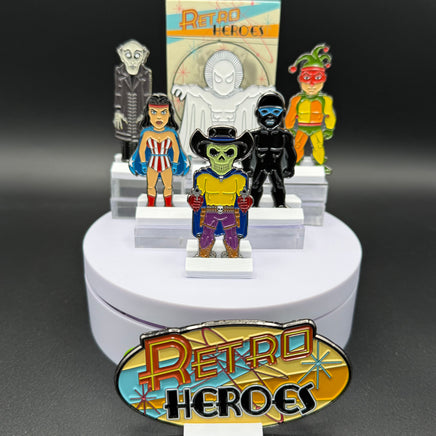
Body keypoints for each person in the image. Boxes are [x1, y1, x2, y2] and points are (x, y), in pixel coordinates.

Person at [129, 94, 189, 206]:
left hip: (167, 165)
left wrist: (175, 164)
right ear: (148, 113)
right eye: (153, 112)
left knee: (168, 186)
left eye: (163, 112)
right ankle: (151, 205)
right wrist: (143, 164)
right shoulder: (146, 133)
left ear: (169, 113)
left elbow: (176, 151)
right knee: (151, 186)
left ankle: (168, 205)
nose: (159, 117)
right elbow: (141, 150)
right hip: (152, 164)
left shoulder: (171, 134)